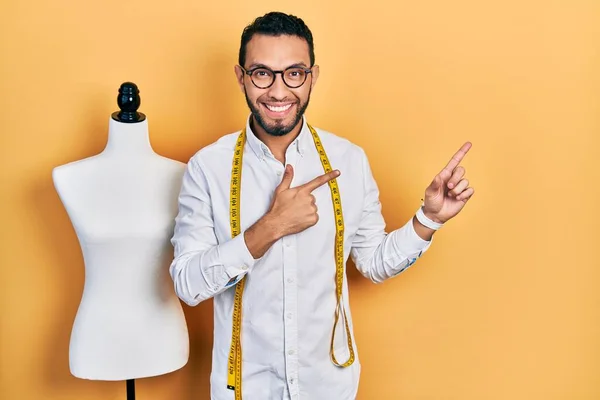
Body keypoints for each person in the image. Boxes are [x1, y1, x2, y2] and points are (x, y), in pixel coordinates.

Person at [169, 11, 474, 400]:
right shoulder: (208, 167)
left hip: (328, 387)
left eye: (294, 73)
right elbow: (188, 284)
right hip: (245, 389)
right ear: (241, 76)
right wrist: (270, 227)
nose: (278, 91)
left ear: (312, 76)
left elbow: (373, 263)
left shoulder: (348, 160)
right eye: (262, 73)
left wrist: (428, 219)